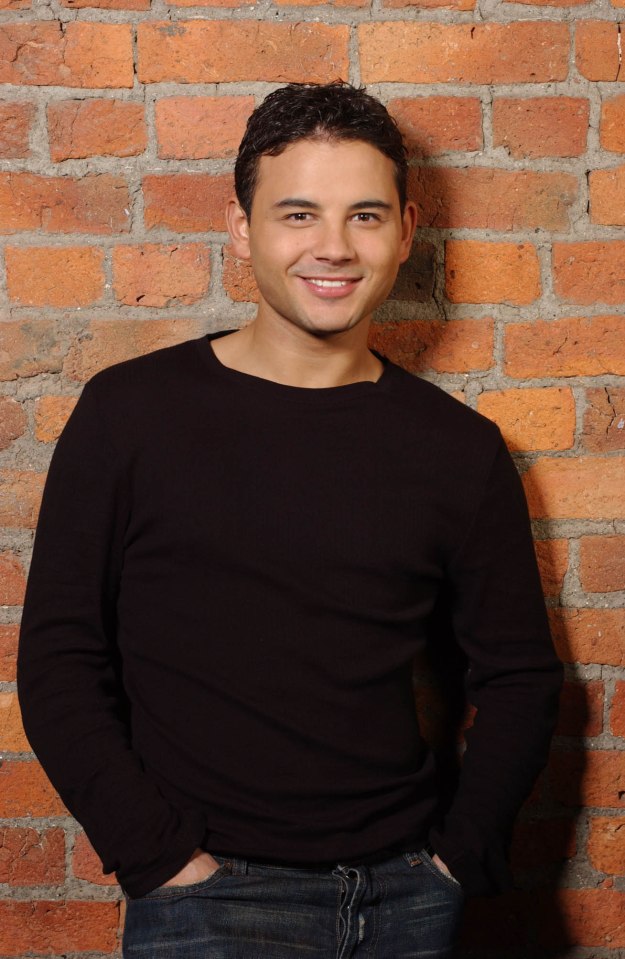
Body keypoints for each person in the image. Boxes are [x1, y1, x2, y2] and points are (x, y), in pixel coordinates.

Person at [18, 82, 563, 959]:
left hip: (408, 898)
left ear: (407, 230)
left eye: (365, 216)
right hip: (207, 901)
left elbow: (520, 678)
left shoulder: (457, 449)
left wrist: (455, 860)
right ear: (241, 228)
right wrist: (162, 860)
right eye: (298, 214)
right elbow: (58, 660)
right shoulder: (131, 416)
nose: (334, 248)